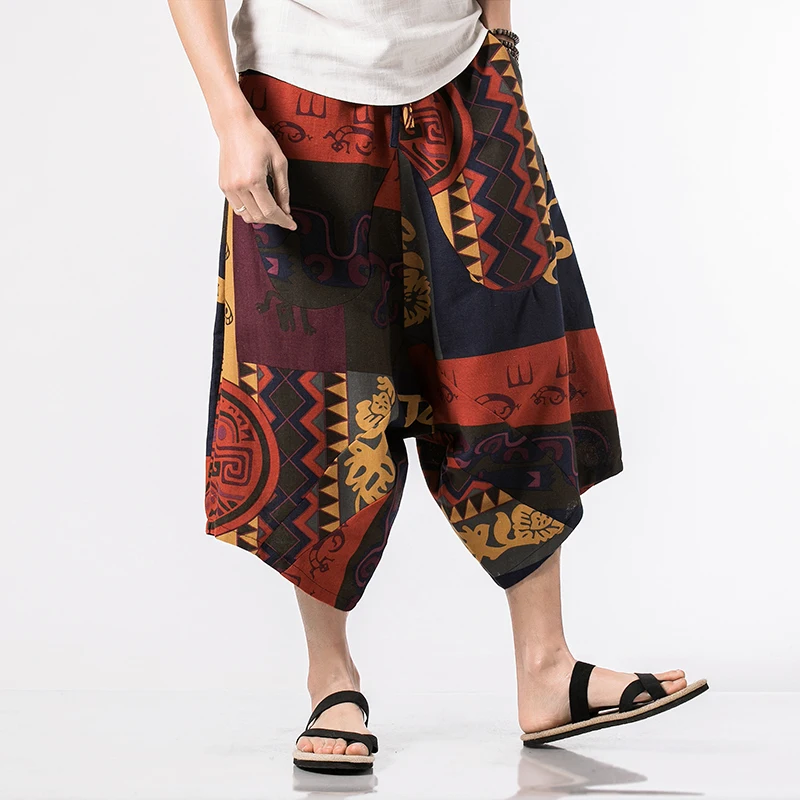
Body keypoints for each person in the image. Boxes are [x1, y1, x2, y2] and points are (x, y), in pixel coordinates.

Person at [167, 0, 708, 775]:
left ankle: (546, 670)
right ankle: (331, 680)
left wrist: (501, 44)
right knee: (322, 400)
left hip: (465, 83)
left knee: (513, 367)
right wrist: (229, 116)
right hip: (298, 94)